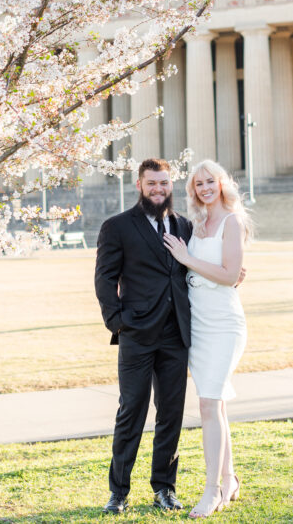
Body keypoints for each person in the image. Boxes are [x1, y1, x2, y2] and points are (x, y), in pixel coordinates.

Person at [94, 158, 194, 514]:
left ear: (171, 185)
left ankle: (164, 488)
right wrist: (117, 322)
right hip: (137, 333)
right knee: (131, 411)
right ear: (140, 185)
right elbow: (105, 279)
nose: (158, 189)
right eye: (152, 183)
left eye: (164, 183)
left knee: (171, 413)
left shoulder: (184, 225)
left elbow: (190, 274)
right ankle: (118, 492)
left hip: (175, 334)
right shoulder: (118, 226)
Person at [162, 159, 250, 519]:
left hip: (224, 323)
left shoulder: (232, 221)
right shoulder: (195, 224)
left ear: (221, 183)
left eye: (209, 181)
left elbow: (230, 276)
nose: (204, 188)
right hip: (196, 323)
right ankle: (229, 479)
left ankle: (211, 490)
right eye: (198, 184)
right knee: (217, 404)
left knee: (208, 404)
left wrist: (186, 258)